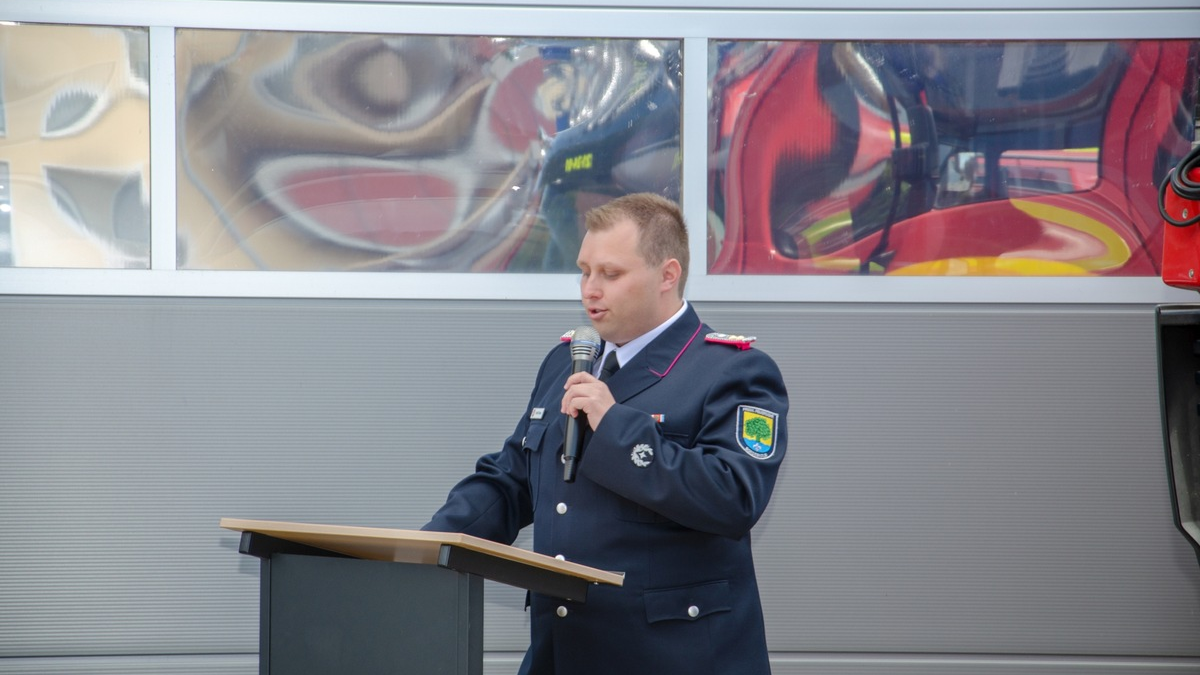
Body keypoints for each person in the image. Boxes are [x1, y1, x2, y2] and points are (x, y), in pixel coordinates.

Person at [423, 192, 789, 675]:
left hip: (674, 658)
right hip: (564, 652)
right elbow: (512, 481)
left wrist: (615, 425)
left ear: (667, 275)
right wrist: (426, 547)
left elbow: (734, 497)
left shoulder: (733, 371)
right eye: (584, 270)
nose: (589, 290)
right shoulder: (568, 361)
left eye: (610, 274)